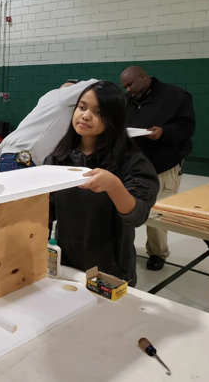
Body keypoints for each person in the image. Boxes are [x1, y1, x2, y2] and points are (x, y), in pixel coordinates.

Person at [44, 80, 159, 287]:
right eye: (82, 107)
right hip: (65, 262)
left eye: (98, 112)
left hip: (110, 267)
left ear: (114, 118)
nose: (86, 115)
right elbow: (47, 211)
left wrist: (114, 186)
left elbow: (138, 215)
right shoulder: (58, 158)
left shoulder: (131, 161)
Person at [120, 65, 196, 271]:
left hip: (164, 163)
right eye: (125, 86)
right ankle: (125, 248)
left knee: (157, 212)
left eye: (130, 84)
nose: (127, 89)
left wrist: (163, 132)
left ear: (143, 77)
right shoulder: (127, 100)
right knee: (127, 208)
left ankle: (157, 253)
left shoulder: (175, 96)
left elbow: (187, 126)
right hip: (133, 164)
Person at [0, 78, 99, 172]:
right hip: (21, 160)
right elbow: (94, 84)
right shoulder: (61, 95)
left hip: (14, 157)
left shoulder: (51, 105)